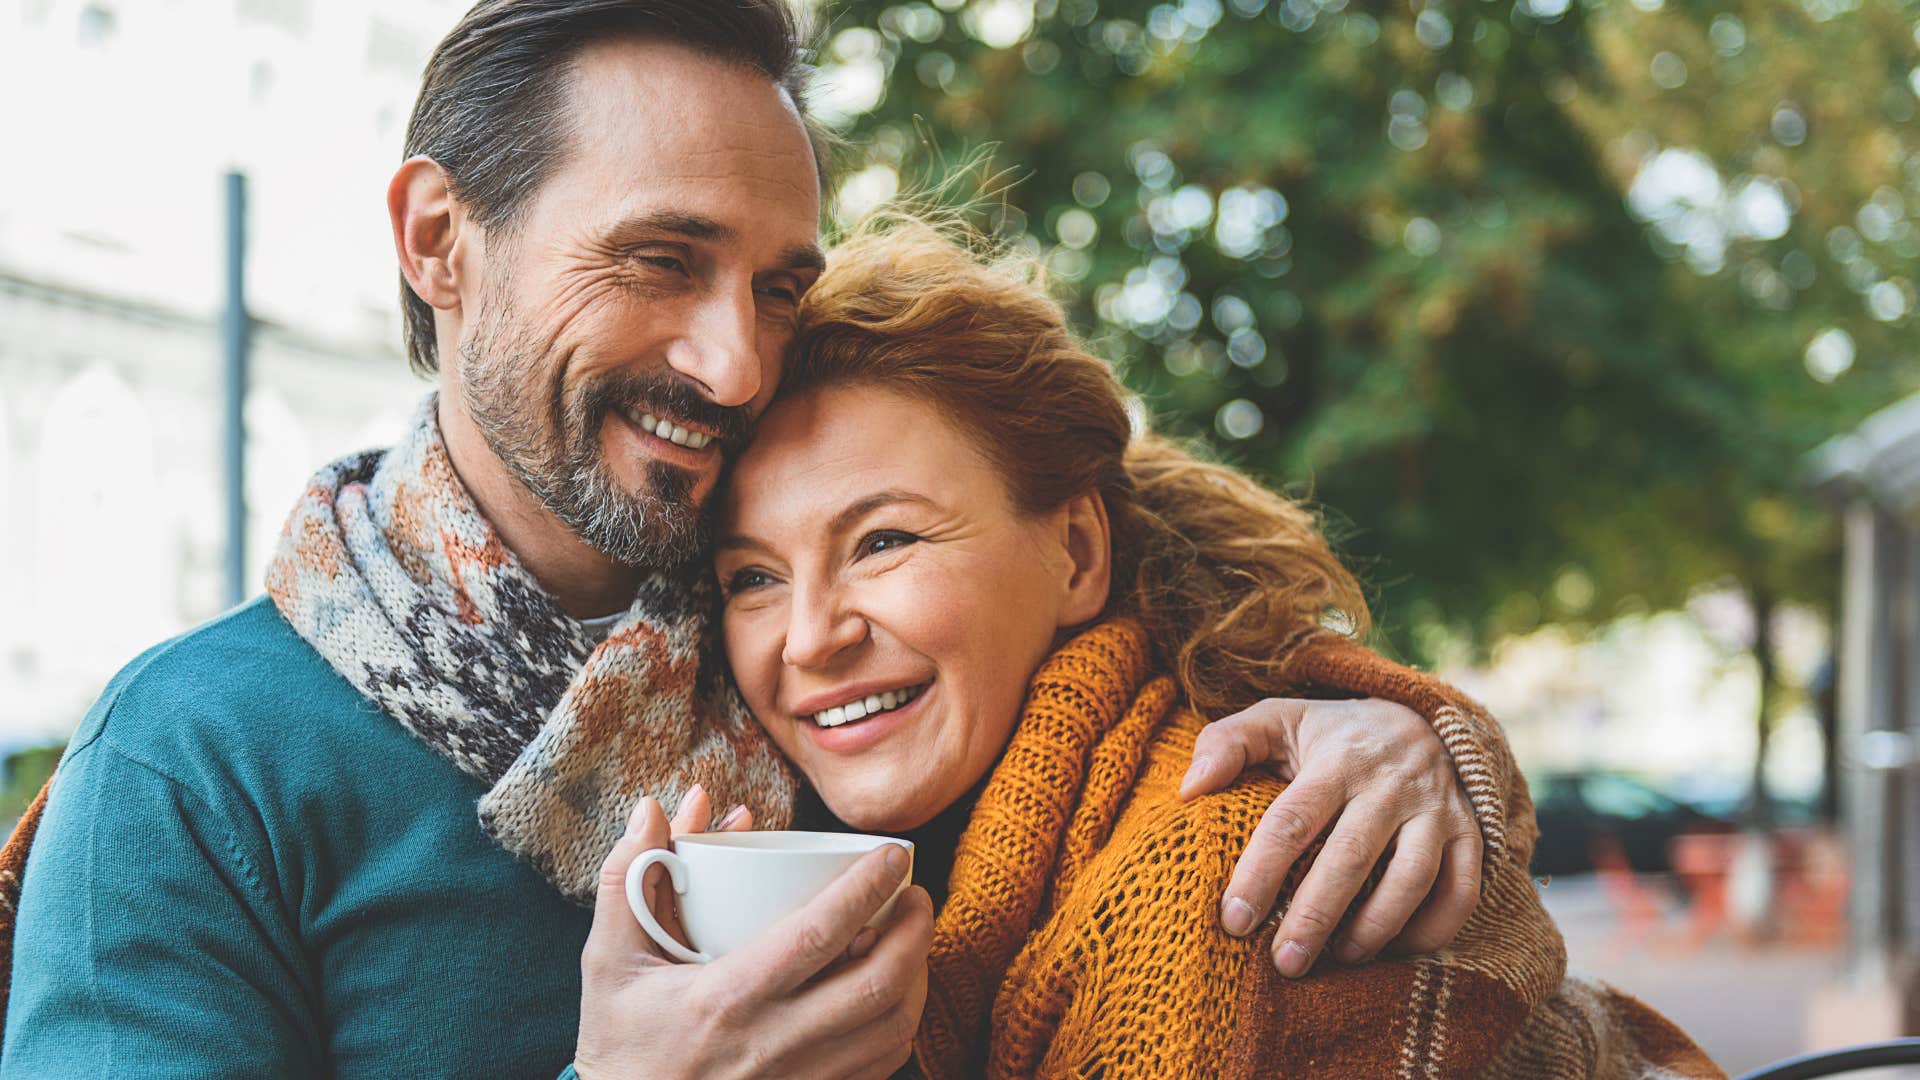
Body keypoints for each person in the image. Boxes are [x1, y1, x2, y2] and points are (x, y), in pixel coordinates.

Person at [4, 2, 1513, 1077]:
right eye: (661, 260)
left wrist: (1392, 732)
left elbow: (1128, 571)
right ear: (438, 243)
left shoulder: (846, 693)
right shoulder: (193, 765)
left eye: (779, 288)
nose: (735, 365)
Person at [669, 215, 1722, 1077]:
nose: (810, 637)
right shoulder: (828, 833)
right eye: (751, 577)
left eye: (884, 540)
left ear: (1078, 549)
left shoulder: (1201, 878)